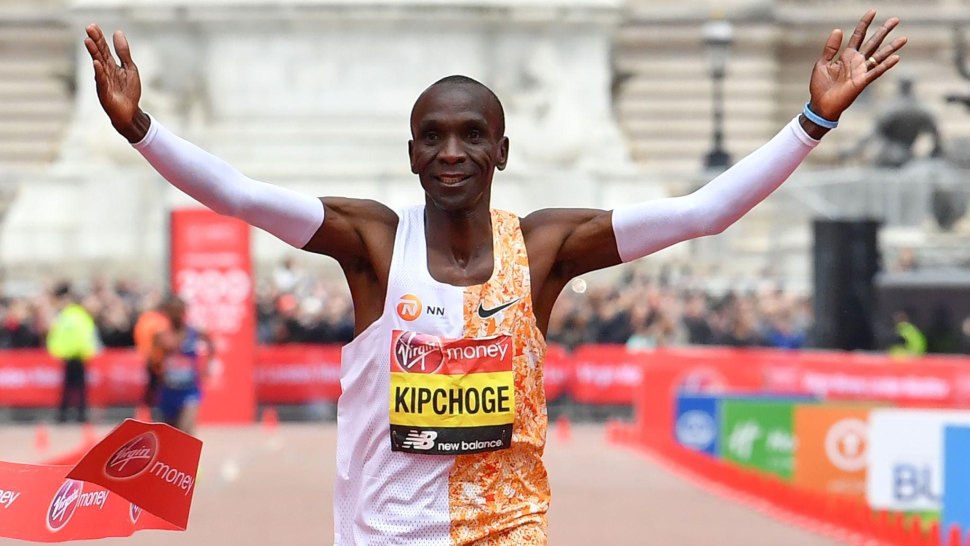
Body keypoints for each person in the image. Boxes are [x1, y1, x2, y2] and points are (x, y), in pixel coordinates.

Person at [84, 10, 905, 544]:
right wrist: (141, 129)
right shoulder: (373, 244)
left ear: (501, 150)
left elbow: (704, 212)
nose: (452, 153)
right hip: (381, 531)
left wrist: (813, 120)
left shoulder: (545, 249)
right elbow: (239, 195)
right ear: (412, 153)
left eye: (472, 135)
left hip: (505, 525)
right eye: (434, 137)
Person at [152, 295, 213, 435]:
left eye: (178, 311)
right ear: (167, 313)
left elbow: (211, 345)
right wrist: (159, 369)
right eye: (172, 311)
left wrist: (206, 368)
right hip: (168, 390)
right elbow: (153, 359)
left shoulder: (195, 332)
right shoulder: (161, 336)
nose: (176, 315)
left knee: (185, 431)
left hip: (189, 390)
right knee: (168, 434)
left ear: (184, 311)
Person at [46, 282, 100, 423]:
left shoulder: (63, 316)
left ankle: (64, 414)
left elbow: (55, 335)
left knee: (68, 388)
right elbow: (89, 336)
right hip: (79, 356)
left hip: (69, 356)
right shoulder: (81, 316)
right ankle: (79, 414)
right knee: (79, 388)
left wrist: (57, 351)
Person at [132, 298, 170, 408]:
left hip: (145, 358)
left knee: (149, 390)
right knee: (158, 390)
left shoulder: (143, 320)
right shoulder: (161, 321)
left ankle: (146, 410)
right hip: (158, 360)